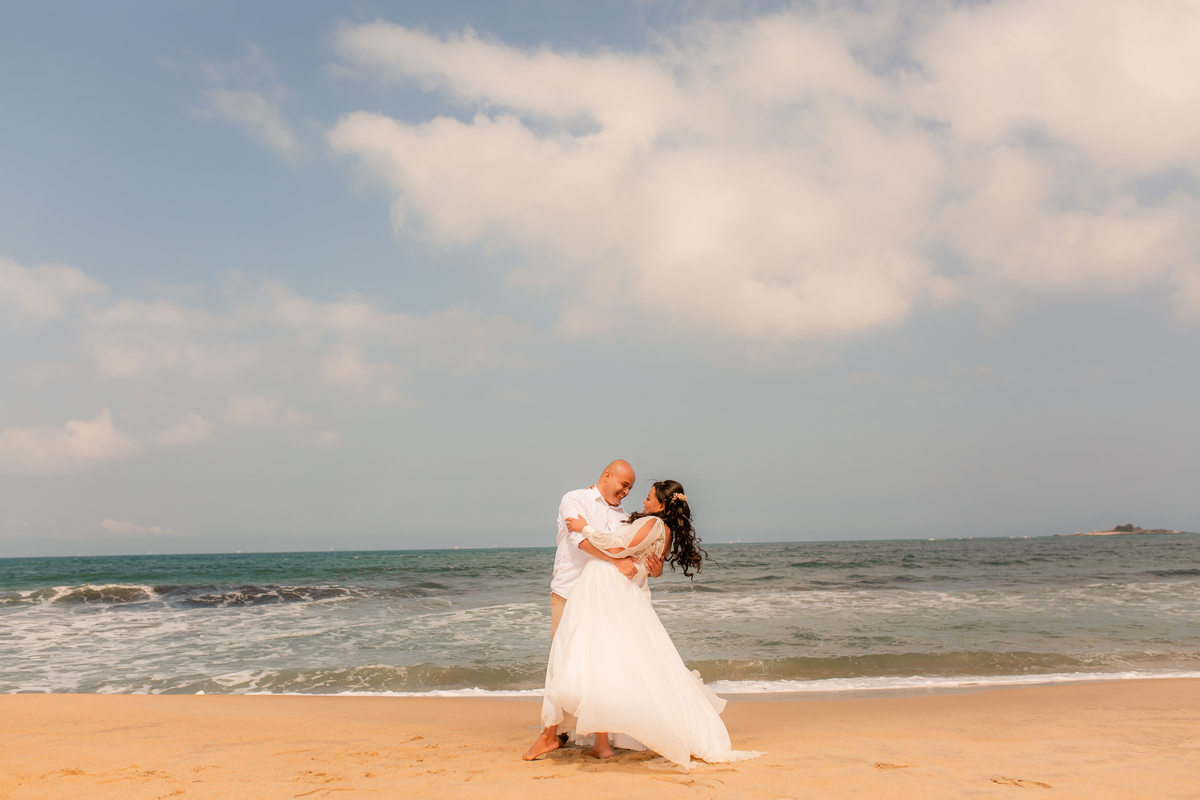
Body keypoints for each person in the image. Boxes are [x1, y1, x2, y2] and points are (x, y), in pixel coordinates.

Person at [524, 480, 759, 772]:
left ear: (661, 504)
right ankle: (600, 743)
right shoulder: (666, 530)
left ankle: (581, 739)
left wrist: (584, 527)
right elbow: (648, 564)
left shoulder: (652, 523)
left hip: (606, 587)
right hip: (614, 589)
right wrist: (649, 568)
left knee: (593, 658)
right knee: (602, 661)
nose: (643, 501)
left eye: (649, 497)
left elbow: (617, 547)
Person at [542, 461, 663, 751]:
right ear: (607, 476)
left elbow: (631, 553)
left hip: (606, 599)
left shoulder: (624, 516)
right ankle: (555, 733)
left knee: (598, 666)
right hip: (570, 591)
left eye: (631, 488)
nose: (627, 492)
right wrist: (615, 561)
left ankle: (590, 734)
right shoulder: (575, 499)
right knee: (563, 661)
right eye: (624, 485)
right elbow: (581, 540)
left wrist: (654, 569)